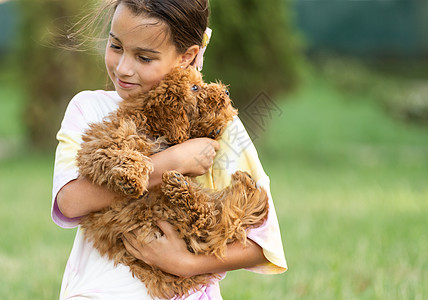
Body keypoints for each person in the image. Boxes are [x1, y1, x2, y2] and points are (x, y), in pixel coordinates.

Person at [51, 0, 287, 299]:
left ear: (187, 56)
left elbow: (262, 243)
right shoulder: (88, 108)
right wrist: (173, 161)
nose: (123, 68)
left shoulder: (216, 125)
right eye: (116, 46)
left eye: (144, 58)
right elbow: (71, 202)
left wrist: (186, 263)